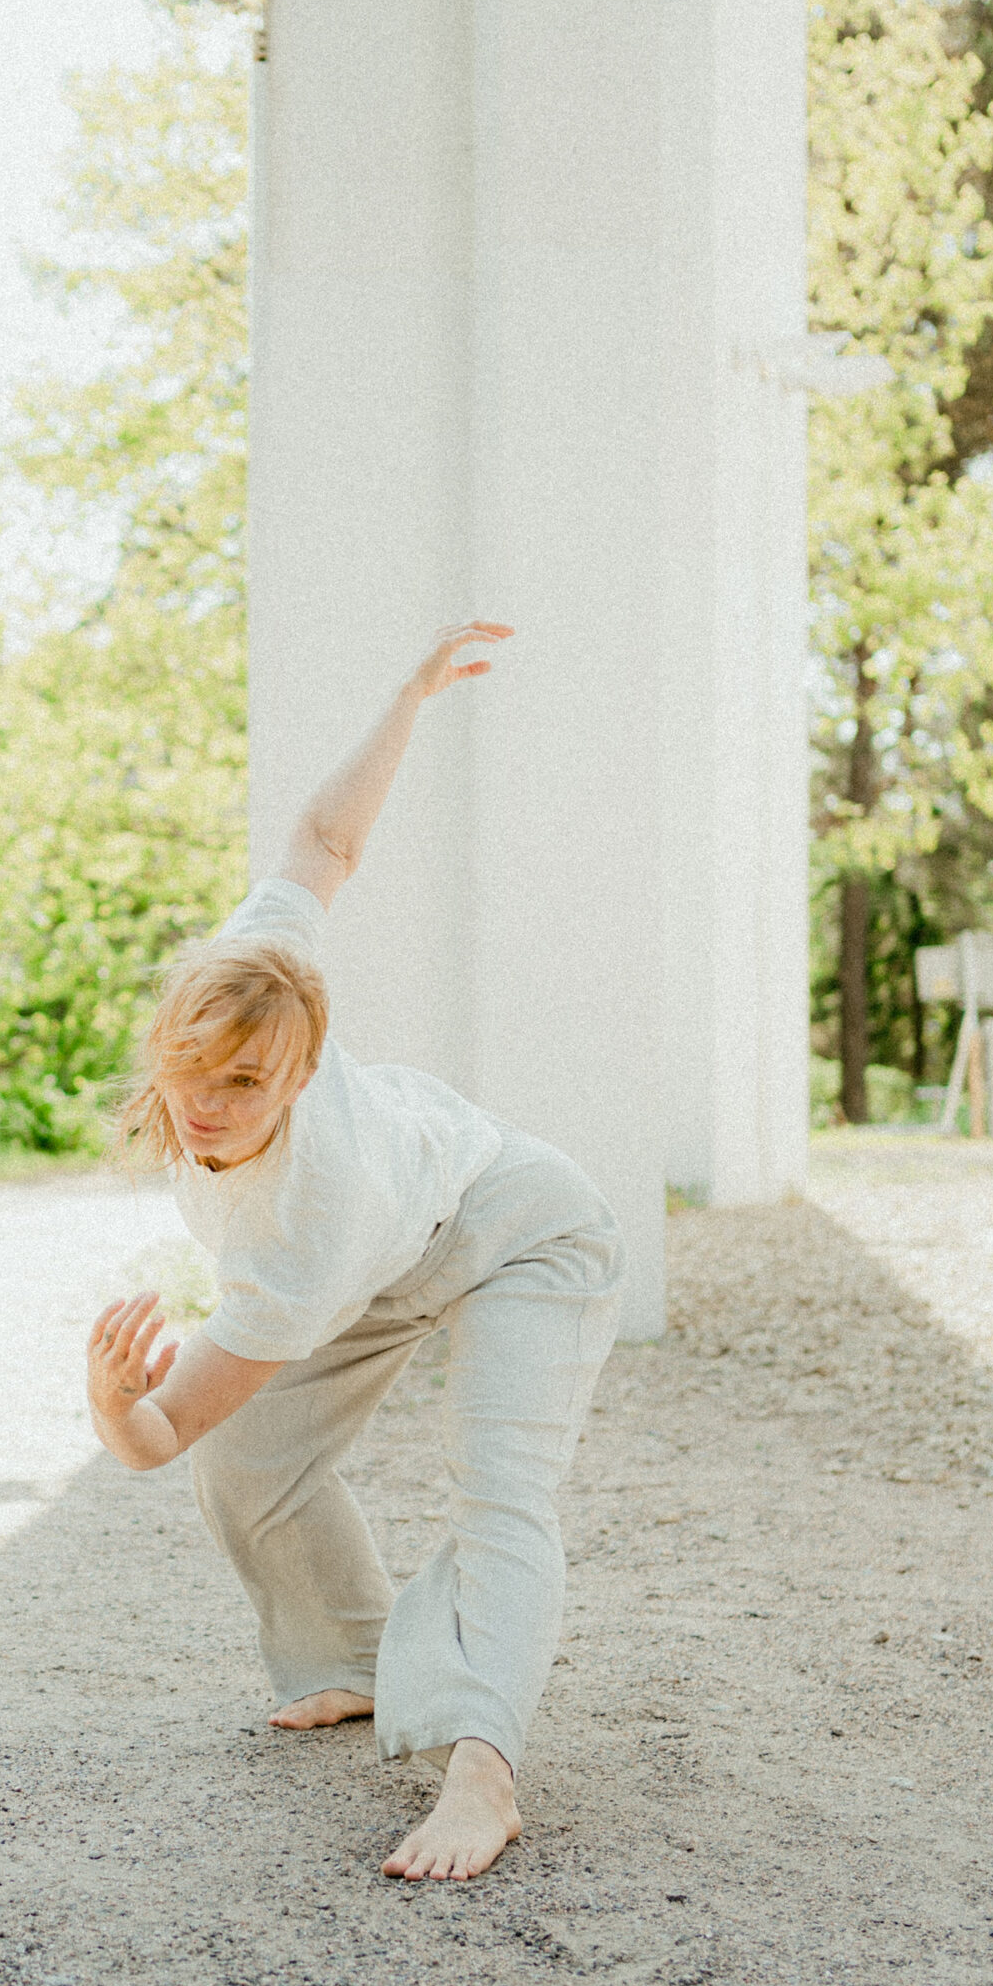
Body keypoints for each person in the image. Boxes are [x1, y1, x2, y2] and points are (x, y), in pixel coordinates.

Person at [85, 623, 625, 1881]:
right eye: (191, 1068)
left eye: (245, 1083)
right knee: (251, 1456)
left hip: (520, 1231)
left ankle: (484, 1771)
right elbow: (326, 843)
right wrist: (410, 694)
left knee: (499, 1489)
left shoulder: (302, 1224)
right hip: (390, 1254)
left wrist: (124, 1410)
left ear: (300, 1070)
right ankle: (351, 1655)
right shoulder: (253, 971)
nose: (208, 1102)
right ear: (167, 1036)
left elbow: (158, 1432)